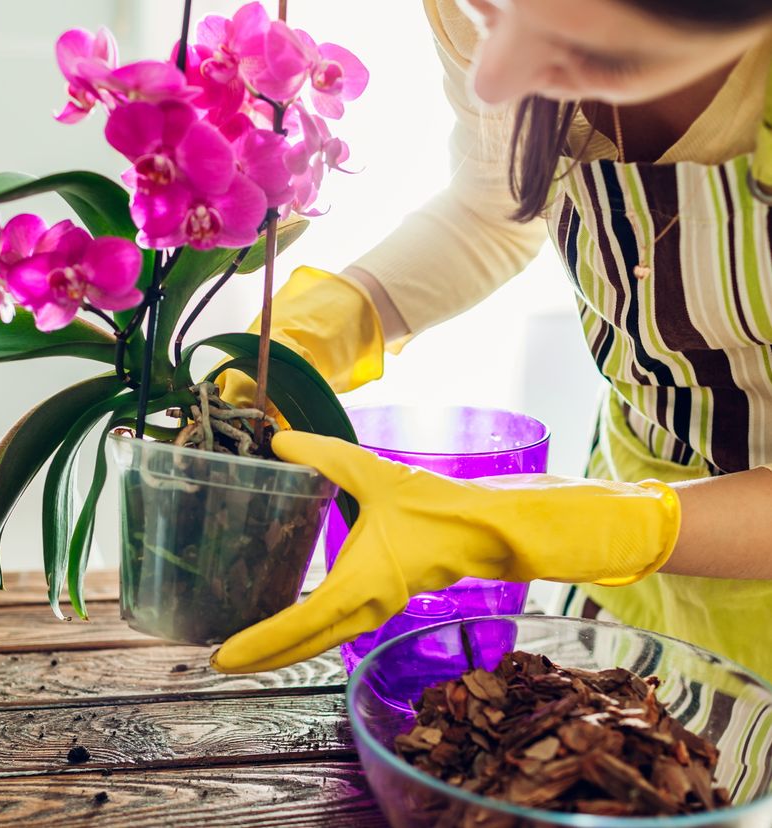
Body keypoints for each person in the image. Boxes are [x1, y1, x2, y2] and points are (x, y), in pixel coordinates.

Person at [211, 0, 772, 681]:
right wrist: (325, 328)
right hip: (626, 567)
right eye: (486, 13)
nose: (492, 78)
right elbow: (495, 203)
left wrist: (572, 525)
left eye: (577, 46)